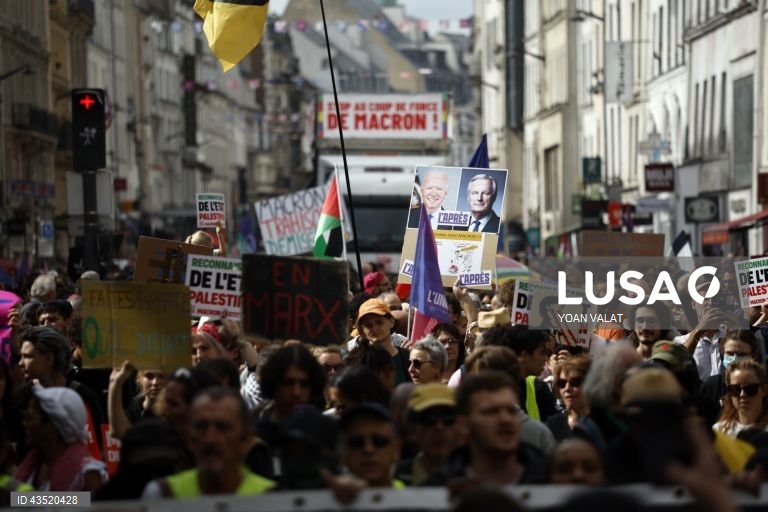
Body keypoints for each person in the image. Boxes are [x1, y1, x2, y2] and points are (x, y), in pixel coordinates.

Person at [143, 387, 275, 498]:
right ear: (189, 437)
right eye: (201, 426)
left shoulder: (269, 497)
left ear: (246, 438)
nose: (210, 439)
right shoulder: (163, 494)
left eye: (223, 427)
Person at [425, 371, 548, 486]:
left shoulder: (551, 478)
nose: (505, 419)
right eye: (491, 412)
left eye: (512, 411)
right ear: (463, 425)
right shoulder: (438, 487)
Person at [15, 384, 106, 491]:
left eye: (30, 418)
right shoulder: (32, 468)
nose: (24, 424)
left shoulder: (87, 476)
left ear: (52, 428)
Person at [253, 344, 326, 446]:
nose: (296, 392)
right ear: (273, 383)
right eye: (288, 383)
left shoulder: (325, 433)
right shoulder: (255, 437)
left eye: (304, 384)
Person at [396, 383, 460, 486]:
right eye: (429, 419)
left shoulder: (474, 475)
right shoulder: (395, 475)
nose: (439, 427)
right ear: (413, 427)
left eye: (448, 418)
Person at [338, 403, 404, 488]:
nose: (368, 449)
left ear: (396, 449)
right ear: (343, 453)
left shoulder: (417, 497)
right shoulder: (323, 496)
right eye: (356, 443)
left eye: (379, 441)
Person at [355, 299, 411, 385]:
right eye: (368, 325)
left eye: (379, 322)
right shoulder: (358, 361)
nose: (374, 328)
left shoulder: (406, 357)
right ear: (362, 330)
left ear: (391, 322)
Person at [713, 359, 768, 438]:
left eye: (750, 388)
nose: (742, 394)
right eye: (735, 389)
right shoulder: (719, 431)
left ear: (764, 390)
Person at [546, 355, 591, 442]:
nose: (567, 388)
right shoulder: (552, 425)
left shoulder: (605, 425)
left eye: (575, 382)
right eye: (562, 383)